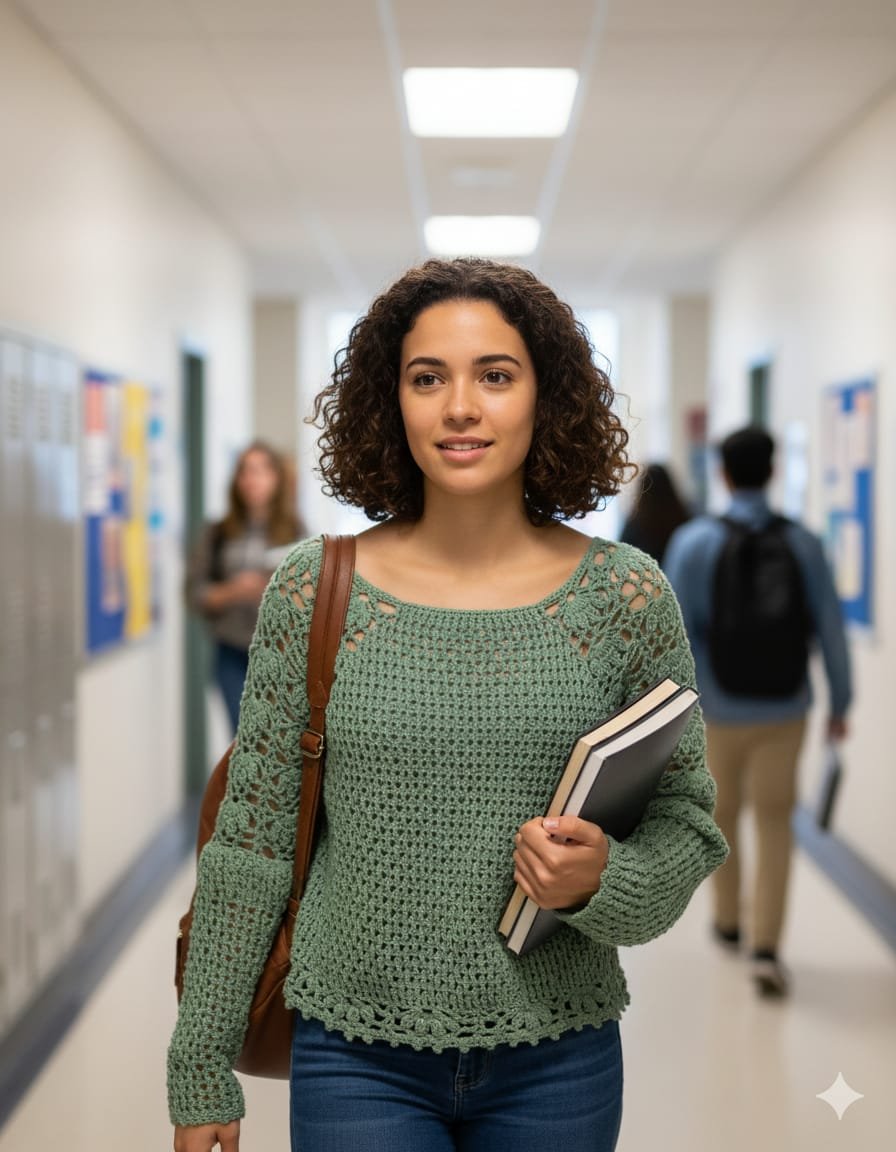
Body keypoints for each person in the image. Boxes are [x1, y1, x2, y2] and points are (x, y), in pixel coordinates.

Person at [168, 258, 728, 1152]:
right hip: (353, 1051)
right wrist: (200, 1061)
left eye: (495, 376)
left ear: (546, 399)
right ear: (390, 403)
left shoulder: (625, 597)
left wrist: (603, 881)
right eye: (427, 379)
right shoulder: (314, 589)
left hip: (560, 1053)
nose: (460, 407)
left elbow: (687, 824)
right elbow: (251, 844)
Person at [664, 426, 851, 997]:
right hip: (784, 709)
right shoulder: (804, 543)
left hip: (715, 711)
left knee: (720, 818)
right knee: (775, 822)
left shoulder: (694, 542)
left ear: (723, 474)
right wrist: (841, 702)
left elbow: (671, 637)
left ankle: (728, 922)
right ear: (772, 472)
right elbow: (831, 629)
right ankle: (767, 944)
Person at [187, 440, 304, 733]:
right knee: (241, 735)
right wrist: (233, 591)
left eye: (262, 471)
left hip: (281, 655)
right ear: (237, 480)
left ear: (277, 478)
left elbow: (310, 598)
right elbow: (193, 594)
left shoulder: (297, 532)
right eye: (246, 471)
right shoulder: (217, 533)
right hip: (231, 650)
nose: (253, 480)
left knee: (276, 738)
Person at [619, 462, 692, 566]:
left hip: (643, 575)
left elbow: (621, 555)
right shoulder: (682, 517)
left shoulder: (634, 524)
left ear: (642, 489)